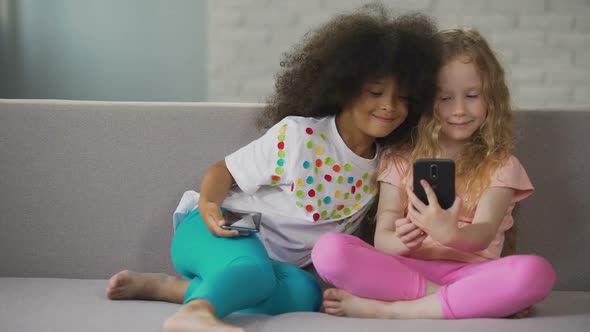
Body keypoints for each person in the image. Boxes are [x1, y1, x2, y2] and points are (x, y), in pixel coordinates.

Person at [105, 4, 442, 332]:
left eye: (403, 97)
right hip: (216, 230)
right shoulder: (300, 135)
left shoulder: (387, 163)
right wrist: (208, 206)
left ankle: (169, 289)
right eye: (375, 92)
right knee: (254, 269)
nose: (389, 106)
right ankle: (195, 313)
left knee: (307, 293)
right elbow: (223, 171)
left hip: (272, 267)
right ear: (345, 88)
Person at [311, 27, 556, 320]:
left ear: (492, 97)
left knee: (536, 273)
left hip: (473, 273)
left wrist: (450, 234)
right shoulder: (399, 158)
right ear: (426, 101)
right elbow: (383, 237)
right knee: (329, 251)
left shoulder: (500, 164)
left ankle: (390, 311)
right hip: (407, 271)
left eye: (472, 95)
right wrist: (402, 241)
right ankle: (456, 300)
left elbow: (484, 231)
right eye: (445, 98)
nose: (460, 110)